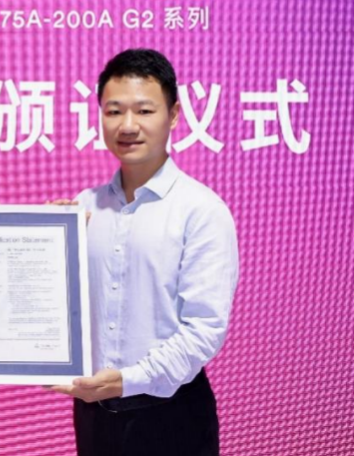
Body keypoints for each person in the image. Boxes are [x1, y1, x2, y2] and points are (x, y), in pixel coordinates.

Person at [50, 49, 239, 456]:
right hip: (94, 412)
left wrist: (129, 380)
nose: (127, 125)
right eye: (114, 111)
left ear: (174, 115)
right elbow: (56, 306)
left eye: (144, 111)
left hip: (170, 416)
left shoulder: (201, 210)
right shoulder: (83, 208)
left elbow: (204, 328)